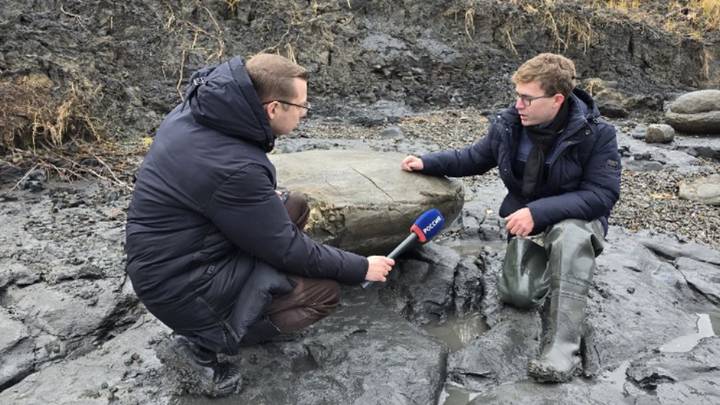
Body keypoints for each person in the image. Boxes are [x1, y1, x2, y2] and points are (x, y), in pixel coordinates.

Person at [125, 54, 395, 396]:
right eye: (301, 106)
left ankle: (230, 309)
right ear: (272, 109)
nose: (304, 113)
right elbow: (288, 249)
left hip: (166, 255)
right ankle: (205, 343)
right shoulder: (236, 168)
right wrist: (361, 267)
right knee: (323, 293)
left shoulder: (199, 110)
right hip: (180, 284)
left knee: (292, 206)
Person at [401, 53, 621, 383]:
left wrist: (538, 212)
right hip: (526, 226)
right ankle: (561, 267)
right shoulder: (510, 124)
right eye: (517, 95)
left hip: (577, 220)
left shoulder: (597, 134)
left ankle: (564, 350)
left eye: (527, 98)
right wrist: (427, 162)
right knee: (519, 296)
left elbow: (602, 196)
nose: (519, 104)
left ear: (557, 100)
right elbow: (474, 157)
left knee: (570, 236)